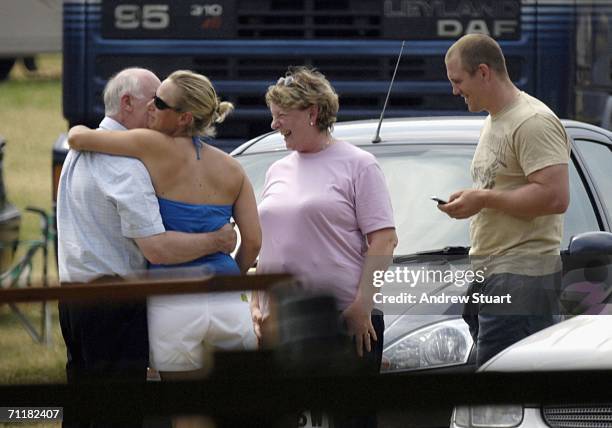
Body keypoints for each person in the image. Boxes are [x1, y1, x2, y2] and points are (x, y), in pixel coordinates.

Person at [67, 69, 261, 382]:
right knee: (236, 403)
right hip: (227, 295)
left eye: (160, 103)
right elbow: (252, 241)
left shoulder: (150, 145)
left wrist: (78, 126)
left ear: (184, 118)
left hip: (173, 297)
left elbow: (77, 138)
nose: (152, 108)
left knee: (184, 408)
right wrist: (232, 274)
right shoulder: (233, 169)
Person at [250, 66, 397, 427]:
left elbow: (384, 238)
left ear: (312, 113)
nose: (273, 125)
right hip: (279, 321)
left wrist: (362, 305)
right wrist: (256, 304)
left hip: (342, 320)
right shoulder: (277, 169)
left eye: (281, 117)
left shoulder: (359, 165)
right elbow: (267, 243)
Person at [440, 34, 571, 367]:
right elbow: (500, 187)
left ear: (483, 72)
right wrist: (473, 199)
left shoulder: (532, 121)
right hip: (493, 271)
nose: (454, 91)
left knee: (504, 397)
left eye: (458, 81)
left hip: (522, 275)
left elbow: (555, 196)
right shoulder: (494, 119)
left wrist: (482, 199)